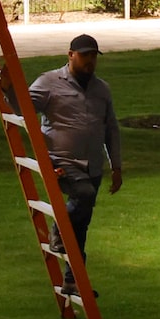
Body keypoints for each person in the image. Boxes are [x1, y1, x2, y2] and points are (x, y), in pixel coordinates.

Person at [28, 34, 122, 256]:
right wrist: (7, 91)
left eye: (93, 56)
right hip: (62, 161)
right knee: (84, 194)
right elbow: (22, 107)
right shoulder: (49, 82)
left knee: (81, 226)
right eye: (84, 55)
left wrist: (116, 166)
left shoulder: (102, 89)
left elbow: (111, 130)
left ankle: (74, 281)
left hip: (94, 165)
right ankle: (59, 230)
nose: (90, 60)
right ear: (71, 55)